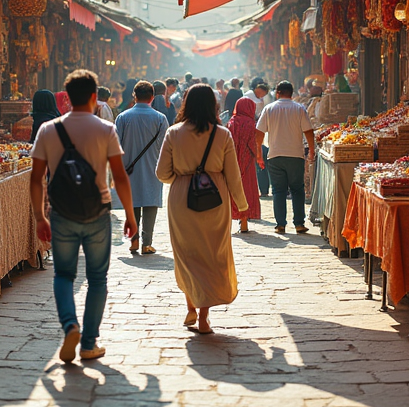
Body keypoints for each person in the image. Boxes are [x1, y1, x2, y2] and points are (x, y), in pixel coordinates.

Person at [30, 70, 138, 363]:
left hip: (62, 213)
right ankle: (89, 343)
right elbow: (120, 176)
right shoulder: (105, 129)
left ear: (65, 99)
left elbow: (37, 178)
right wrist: (130, 215)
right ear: (94, 97)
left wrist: (40, 217)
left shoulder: (48, 130)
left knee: (64, 274)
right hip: (98, 212)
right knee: (97, 279)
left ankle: (70, 326)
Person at [156, 84, 247, 335]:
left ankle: (191, 307)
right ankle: (205, 317)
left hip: (181, 199)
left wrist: (183, 174)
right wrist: (242, 204)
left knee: (187, 254)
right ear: (213, 105)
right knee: (212, 254)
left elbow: (162, 173)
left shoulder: (173, 133)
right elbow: (233, 175)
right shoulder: (222, 134)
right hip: (215, 199)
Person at [115, 81, 169, 254]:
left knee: (132, 204)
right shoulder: (160, 119)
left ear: (134, 96)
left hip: (129, 169)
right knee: (150, 204)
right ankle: (147, 243)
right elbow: (166, 147)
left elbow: (116, 146)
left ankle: (134, 240)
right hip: (153, 168)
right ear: (152, 97)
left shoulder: (123, 117)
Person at [255, 81, 314, 234]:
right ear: (292, 93)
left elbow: (259, 133)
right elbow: (308, 131)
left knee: (278, 190)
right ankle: (299, 223)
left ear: (278, 93)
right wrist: (312, 151)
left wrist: (259, 154)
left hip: (275, 155)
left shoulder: (269, 109)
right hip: (295, 155)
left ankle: (280, 224)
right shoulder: (299, 108)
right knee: (297, 189)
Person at [227, 97, 261, 232]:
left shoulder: (231, 123)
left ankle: (229, 221)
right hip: (247, 163)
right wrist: (258, 157)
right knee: (247, 189)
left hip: (232, 162)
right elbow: (253, 144)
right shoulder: (251, 124)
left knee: (231, 189)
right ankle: (245, 221)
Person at [244, 82, 271, 197]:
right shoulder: (248, 95)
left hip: (259, 134)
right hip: (254, 137)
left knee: (261, 163)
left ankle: (263, 189)